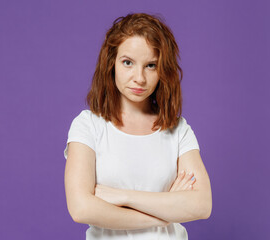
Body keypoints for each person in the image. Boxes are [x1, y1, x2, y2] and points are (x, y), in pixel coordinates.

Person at [63, 12, 212, 240]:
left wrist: (123, 197)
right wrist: (165, 214)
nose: (139, 78)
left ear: (163, 70)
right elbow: (81, 209)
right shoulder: (88, 126)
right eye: (128, 63)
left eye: (151, 65)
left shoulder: (178, 130)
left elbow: (201, 205)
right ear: (111, 63)